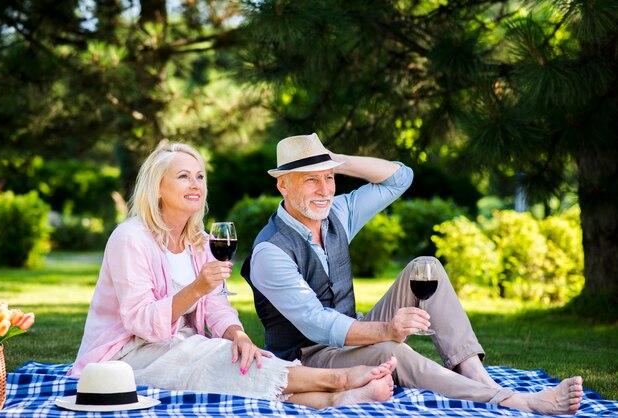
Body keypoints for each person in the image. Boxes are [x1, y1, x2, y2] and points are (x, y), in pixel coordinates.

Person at [242, 132, 584, 415]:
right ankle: (514, 401)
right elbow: (316, 323)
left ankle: (478, 376)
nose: (325, 189)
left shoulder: (338, 212)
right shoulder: (270, 251)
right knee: (393, 349)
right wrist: (386, 329)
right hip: (309, 357)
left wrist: (333, 158)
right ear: (283, 186)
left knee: (427, 267)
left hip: (350, 335)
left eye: (329, 178)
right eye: (311, 180)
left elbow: (399, 178)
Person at [69, 141, 399, 409]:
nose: (195, 184)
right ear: (157, 188)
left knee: (235, 359)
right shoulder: (130, 238)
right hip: (126, 355)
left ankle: (337, 399)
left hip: (182, 347)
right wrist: (197, 288)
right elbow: (140, 322)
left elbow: (217, 306)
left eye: (199, 177)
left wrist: (238, 335)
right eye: (183, 177)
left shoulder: (201, 241)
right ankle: (338, 380)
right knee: (212, 359)